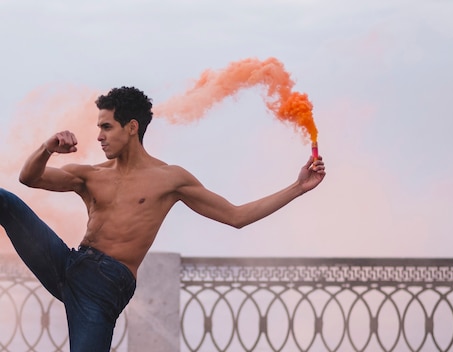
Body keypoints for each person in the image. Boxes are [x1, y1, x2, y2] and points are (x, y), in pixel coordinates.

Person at [0, 86, 326, 351]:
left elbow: (236, 216)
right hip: (67, 263)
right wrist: (47, 147)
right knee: (4, 201)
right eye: (98, 127)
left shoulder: (169, 179)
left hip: (103, 286)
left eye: (106, 127)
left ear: (131, 127)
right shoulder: (90, 175)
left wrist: (298, 187)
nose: (99, 135)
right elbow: (30, 178)